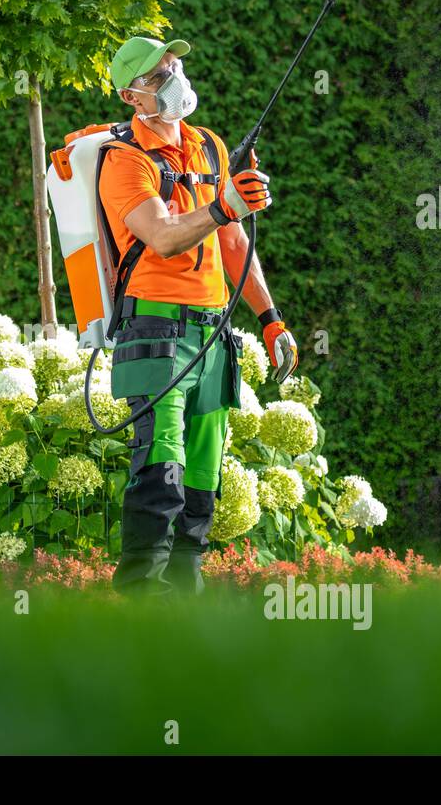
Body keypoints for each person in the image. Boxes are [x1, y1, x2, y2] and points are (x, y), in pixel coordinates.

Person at [99, 35, 298, 596]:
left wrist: (270, 317)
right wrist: (221, 204)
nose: (174, 80)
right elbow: (161, 236)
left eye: (175, 67)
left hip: (214, 333)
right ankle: (138, 604)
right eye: (159, 77)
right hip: (155, 332)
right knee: (160, 472)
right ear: (131, 97)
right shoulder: (124, 161)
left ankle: (185, 605)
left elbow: (232, 239)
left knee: (202, 486)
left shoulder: (208, 145)